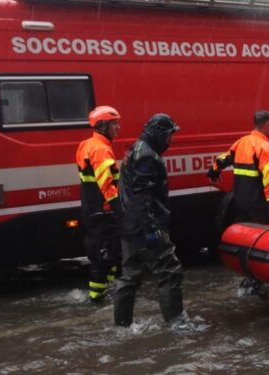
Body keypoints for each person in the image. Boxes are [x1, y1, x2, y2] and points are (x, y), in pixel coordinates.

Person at [114, 114, 185, 327]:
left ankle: (122, 327)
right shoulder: (146, 155)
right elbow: (143, 196)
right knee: (169, 273)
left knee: (129, 275)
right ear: (159, 134)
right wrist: (152, 230)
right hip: (144, 226)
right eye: (169, 135)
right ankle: (177, 326)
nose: (170, 141)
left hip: (129, 225)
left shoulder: (135, 149)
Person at [75, 105, 122, 302]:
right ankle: (97, 299)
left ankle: (108, 292)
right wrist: (119, 208)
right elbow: (107, 184)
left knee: (108, 254)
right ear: (103, 126)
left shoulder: (86, 144)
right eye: (114, 124)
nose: (118, 128)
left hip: (91, 209)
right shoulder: (101, 150)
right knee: (105, 256)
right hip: (103, 211)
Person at [207, 111, 269, 225]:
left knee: (245, 234)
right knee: (259, 237)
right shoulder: (267, 149)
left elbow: (223, 159)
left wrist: (213, 173)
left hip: (240, 202)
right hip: (258, 206)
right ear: (266, 124)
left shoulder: (241, 142)